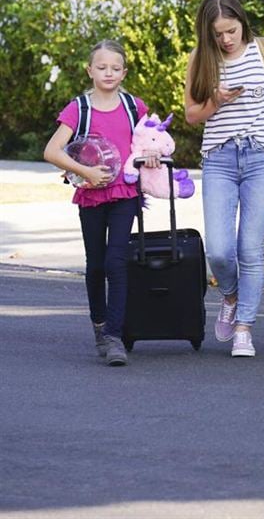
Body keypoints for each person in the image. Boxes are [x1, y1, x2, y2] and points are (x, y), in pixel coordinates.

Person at [184, 0, 264, 358]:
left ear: (242, 22)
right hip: (219, 159)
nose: (226, 39)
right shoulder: (200, 60)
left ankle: (244, 329)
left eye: (231, 30)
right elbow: (192, 115)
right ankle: (231, 295)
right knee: (221, 251)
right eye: (218, 33)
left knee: (250, 249)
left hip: (262, 158)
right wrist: (216, 102)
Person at [43, 39, 160, 366]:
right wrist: (86, 172)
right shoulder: (78, 109)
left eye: (115, 68)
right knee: (95, 265)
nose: (109, 73)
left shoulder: (134, 107)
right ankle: (99, 325)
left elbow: (150, 143)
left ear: (124, 72)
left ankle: (114, 336)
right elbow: (52, 152)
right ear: (90, 70)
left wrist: (151, 156)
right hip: (91, 195)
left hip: (125, 194)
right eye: (102, 67)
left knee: (116, 262)